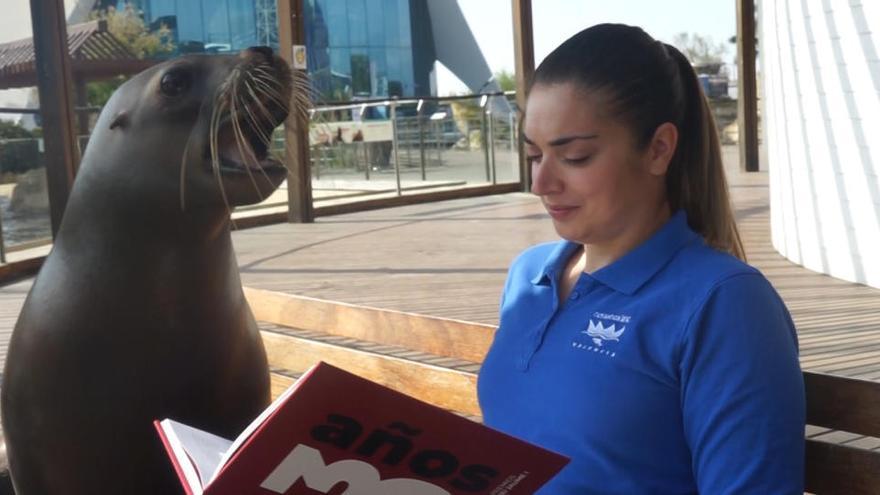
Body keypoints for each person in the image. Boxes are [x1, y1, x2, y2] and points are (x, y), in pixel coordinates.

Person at [477, 24, 805, 494]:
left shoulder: (724, 305)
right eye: (533, 155)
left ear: (658, 149)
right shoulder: (529, 276)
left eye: (575, 156)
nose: (541, 183)